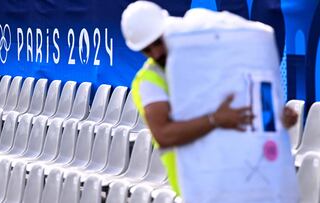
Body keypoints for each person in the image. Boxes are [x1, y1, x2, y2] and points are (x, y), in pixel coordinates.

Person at [121, 0, 298, 200]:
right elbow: (164, 134)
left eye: (158, 42)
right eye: (147, 49)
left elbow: (245, 99)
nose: (156, 52)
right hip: (202, 188)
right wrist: (215, 120)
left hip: (245, 179)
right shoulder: (150, 80)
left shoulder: (209, 61)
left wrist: (274, 117)